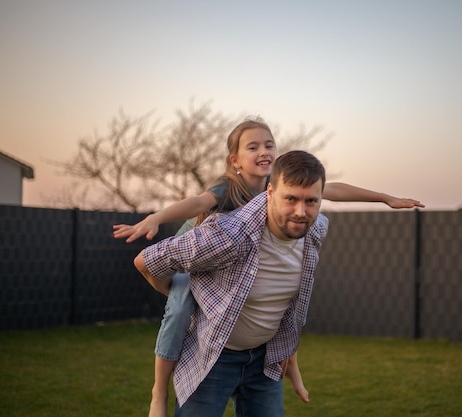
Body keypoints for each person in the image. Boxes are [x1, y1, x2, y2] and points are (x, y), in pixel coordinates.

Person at [114, 118, 424, 417]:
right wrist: (155, 219)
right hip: (196, 246)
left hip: (262, 356)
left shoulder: (284, 189)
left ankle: (294, 371)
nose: (263, 151)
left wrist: (385, 198)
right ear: (235, 159)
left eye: (269, 145)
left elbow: (334, 189)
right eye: (253, 147)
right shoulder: (228, 190)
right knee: (180, 306)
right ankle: (159, 393)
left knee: (293, 304)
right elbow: (196, 205)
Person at [134, 150, 328, 416]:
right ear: (270, 193)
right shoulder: (226, 236)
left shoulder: (316, 229)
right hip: (213, 359)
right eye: (290, 199)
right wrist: (178, 296)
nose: (301, 212)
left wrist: (287, 348)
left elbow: (295, 299)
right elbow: (146, 260)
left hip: (264, 362)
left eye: (311, 201)